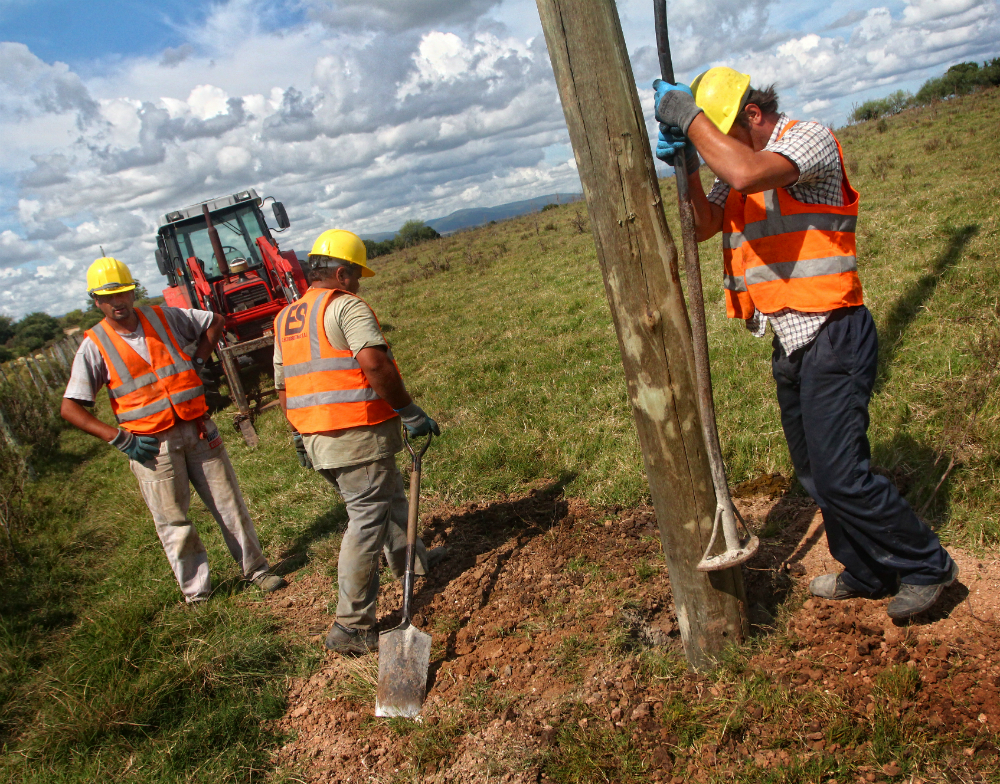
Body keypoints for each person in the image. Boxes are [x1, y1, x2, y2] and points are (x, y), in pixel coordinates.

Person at [652, 68, 957, 620]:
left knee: (843, 474)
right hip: (790, 339)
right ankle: (866, 570)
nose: (717, 145)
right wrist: (688, 163)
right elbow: (704, 223)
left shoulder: (806, 139)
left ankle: (927, 565)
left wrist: (689, 120)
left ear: (753, 115)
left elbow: (744, 174)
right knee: (815, 474)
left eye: (719, 131)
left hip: (834, 331)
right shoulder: (737, 154)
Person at [61, 256, 287, 603]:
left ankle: (257, 570)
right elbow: (70, 407)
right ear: (96, 301)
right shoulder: (95, 345)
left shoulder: (164, 317)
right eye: (108, 297)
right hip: (151, 447)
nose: (117, 302)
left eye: (122, 293)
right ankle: (198, 594)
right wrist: (119, 439)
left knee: (229, 504)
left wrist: (199, 359)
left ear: (133, 292)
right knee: (173, 522)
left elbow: (214, 321)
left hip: (198, 429)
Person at [273, 229, 445, 655]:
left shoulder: (287, 318)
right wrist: (409, 411)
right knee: (366, 520)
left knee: (389, 497)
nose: (359, 284)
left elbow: (283, 387)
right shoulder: (345, 307)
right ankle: (351, 626)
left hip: (319, 440)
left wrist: (298, 431)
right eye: (357, 275)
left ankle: (413, 564)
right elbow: (374, 363)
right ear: (341, 273)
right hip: (354, 434)